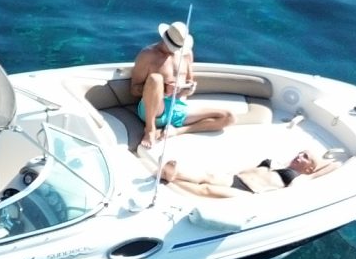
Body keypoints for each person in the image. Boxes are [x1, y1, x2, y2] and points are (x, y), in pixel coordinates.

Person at [131, 20, 235, 153]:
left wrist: (188, 88)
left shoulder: (186, 54)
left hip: (178, 109)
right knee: (155, 79)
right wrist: (164, 89)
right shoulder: (147, 55)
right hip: (154, 109)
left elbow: (189, 81)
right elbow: (134, 89)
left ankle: (177, 131)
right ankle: (150, 130)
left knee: (229, 117)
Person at [158, 147, 340, 199]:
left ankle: (169, 180)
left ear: (309, 168)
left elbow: (333, 167)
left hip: (248, 192)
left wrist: (335, 161)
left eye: (305, 157)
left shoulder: (299, 178)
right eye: (300, 153)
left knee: (206, 189)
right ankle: (173, 174)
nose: (299, 156)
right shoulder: (278, 162)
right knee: (208, 176)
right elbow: (250, 167)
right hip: (237, 178)